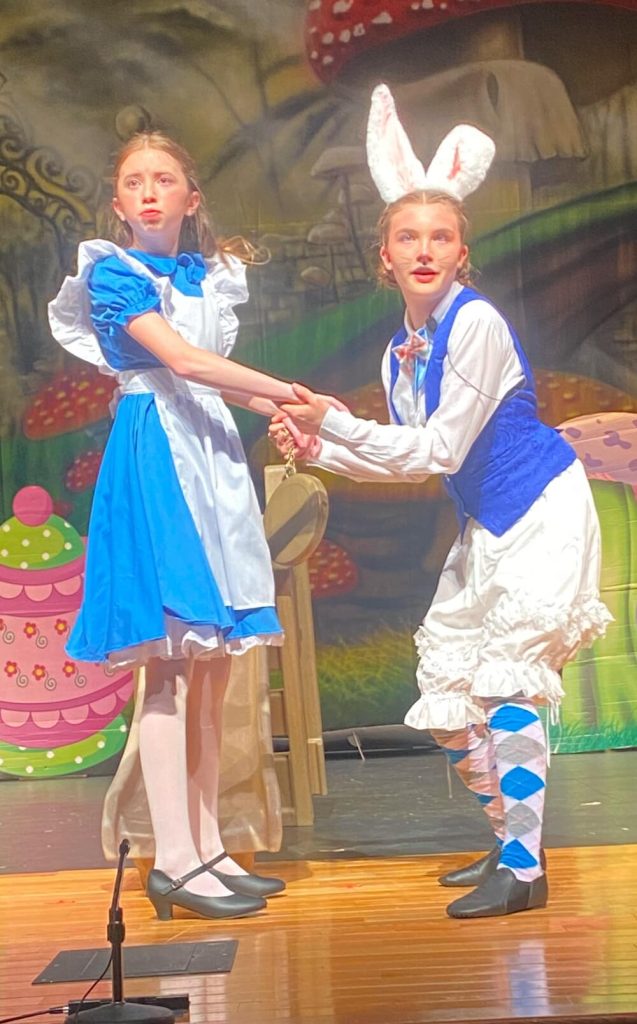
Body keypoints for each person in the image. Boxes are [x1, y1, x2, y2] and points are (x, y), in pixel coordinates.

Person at [270, 85, 611, 919]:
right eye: (407, 237)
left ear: (462, 253)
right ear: (383, 257)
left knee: (505, 688)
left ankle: (523, 869)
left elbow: (441, 449)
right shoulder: (402, 350)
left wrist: (332, 423)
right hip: (486, 522)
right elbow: (408, 462)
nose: (424, 250)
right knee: (447, 697)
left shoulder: (477, 324)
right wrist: (321, 447)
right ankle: (509, 839)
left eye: (440, 236)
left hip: (539, 510)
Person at [48, 130, 300, 922]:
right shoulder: (113, 274)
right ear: (118, 204)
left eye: (164, 179)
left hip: (210, 454)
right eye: (135, 182)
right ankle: (174, 860)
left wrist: (289, 412)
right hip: (157, 452)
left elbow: (215, 380)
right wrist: (284, 390)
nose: (149, 192)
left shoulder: (207, 277)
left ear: (192, 198)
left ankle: (208, 846)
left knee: (213, 664)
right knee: (166, 662)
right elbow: (183, 364)